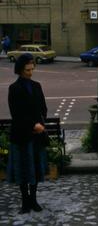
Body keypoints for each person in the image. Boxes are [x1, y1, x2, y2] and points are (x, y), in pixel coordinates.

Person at [7, 53, 48, 214]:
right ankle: (25, 201)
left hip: (36, 135)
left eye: (32, 69)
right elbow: (16, 113)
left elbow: (43, 108)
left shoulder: (37, 86)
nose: (30, 73)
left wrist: (41, 123)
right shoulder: (14, 88)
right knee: (23, 169)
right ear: (20, 70)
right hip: (22, 135)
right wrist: (33, 125)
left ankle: (33, 200)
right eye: (27, 70)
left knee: (35, 168)